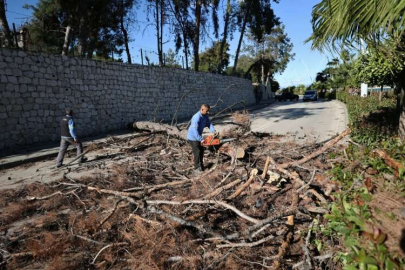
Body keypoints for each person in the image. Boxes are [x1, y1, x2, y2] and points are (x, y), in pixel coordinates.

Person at [187, 104, 218, 173]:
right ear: (202, 109)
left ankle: (201, 166)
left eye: (208, 111)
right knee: (197, 152)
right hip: (193, 137)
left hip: (198, 136)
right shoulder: (196, 117)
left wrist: (213, 131)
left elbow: (209, 123)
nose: (208, 113)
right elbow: (194, 130)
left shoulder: (205, 116)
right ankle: (196, 169)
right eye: (207, 111)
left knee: (201, 151)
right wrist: (201, 139)